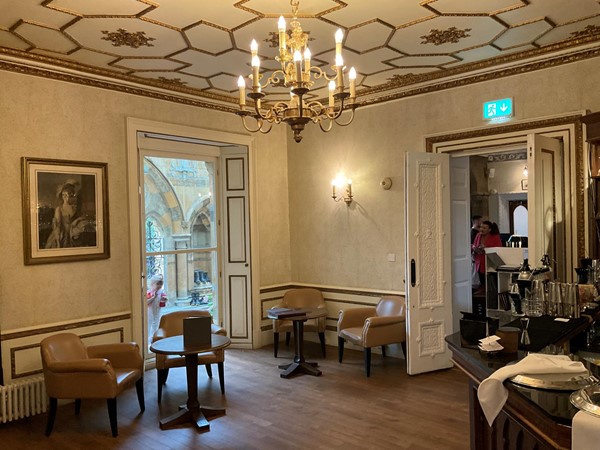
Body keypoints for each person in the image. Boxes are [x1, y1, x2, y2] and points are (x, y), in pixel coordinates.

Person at [44, 179, 94, 248]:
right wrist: (58, 242)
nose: (67, 198)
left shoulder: (75, 208)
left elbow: (80, 220)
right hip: (62, 235)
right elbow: (57, 226)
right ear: (62, 196)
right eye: (64, 195)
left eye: (70, 195)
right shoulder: (59, 209)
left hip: (74, 234)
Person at [472, 220, 502, 287]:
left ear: (489, 230)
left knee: (490, 281)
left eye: (484, 228)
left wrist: (486, 248)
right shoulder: (478, 235)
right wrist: (475, 248)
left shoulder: (495, 237)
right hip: (479, 261)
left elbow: (499, 249)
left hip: (489, 262)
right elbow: (474, 244)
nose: (481, 229)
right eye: (481, 227)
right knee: (481, 279)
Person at [147, 273, 168, 338]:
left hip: (158, 310)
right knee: (149, 324)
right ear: (153, 284)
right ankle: (147, 339)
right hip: (150, 311)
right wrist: (153, 297)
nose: (159, 286)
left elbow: (163, 303)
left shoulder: (161, 292)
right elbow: (147, 302)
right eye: (158, 284)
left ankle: (154, 338)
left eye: (161, 284)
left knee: (156, 324)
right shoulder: (149, 292)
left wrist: (164, 300)